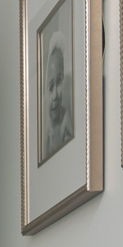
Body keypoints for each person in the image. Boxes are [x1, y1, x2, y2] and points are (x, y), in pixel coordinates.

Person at [40, 33, 73, 161]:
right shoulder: (43, 131)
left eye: (59, 82)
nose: (55, 96)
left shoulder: (67, 123)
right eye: (50, 86)